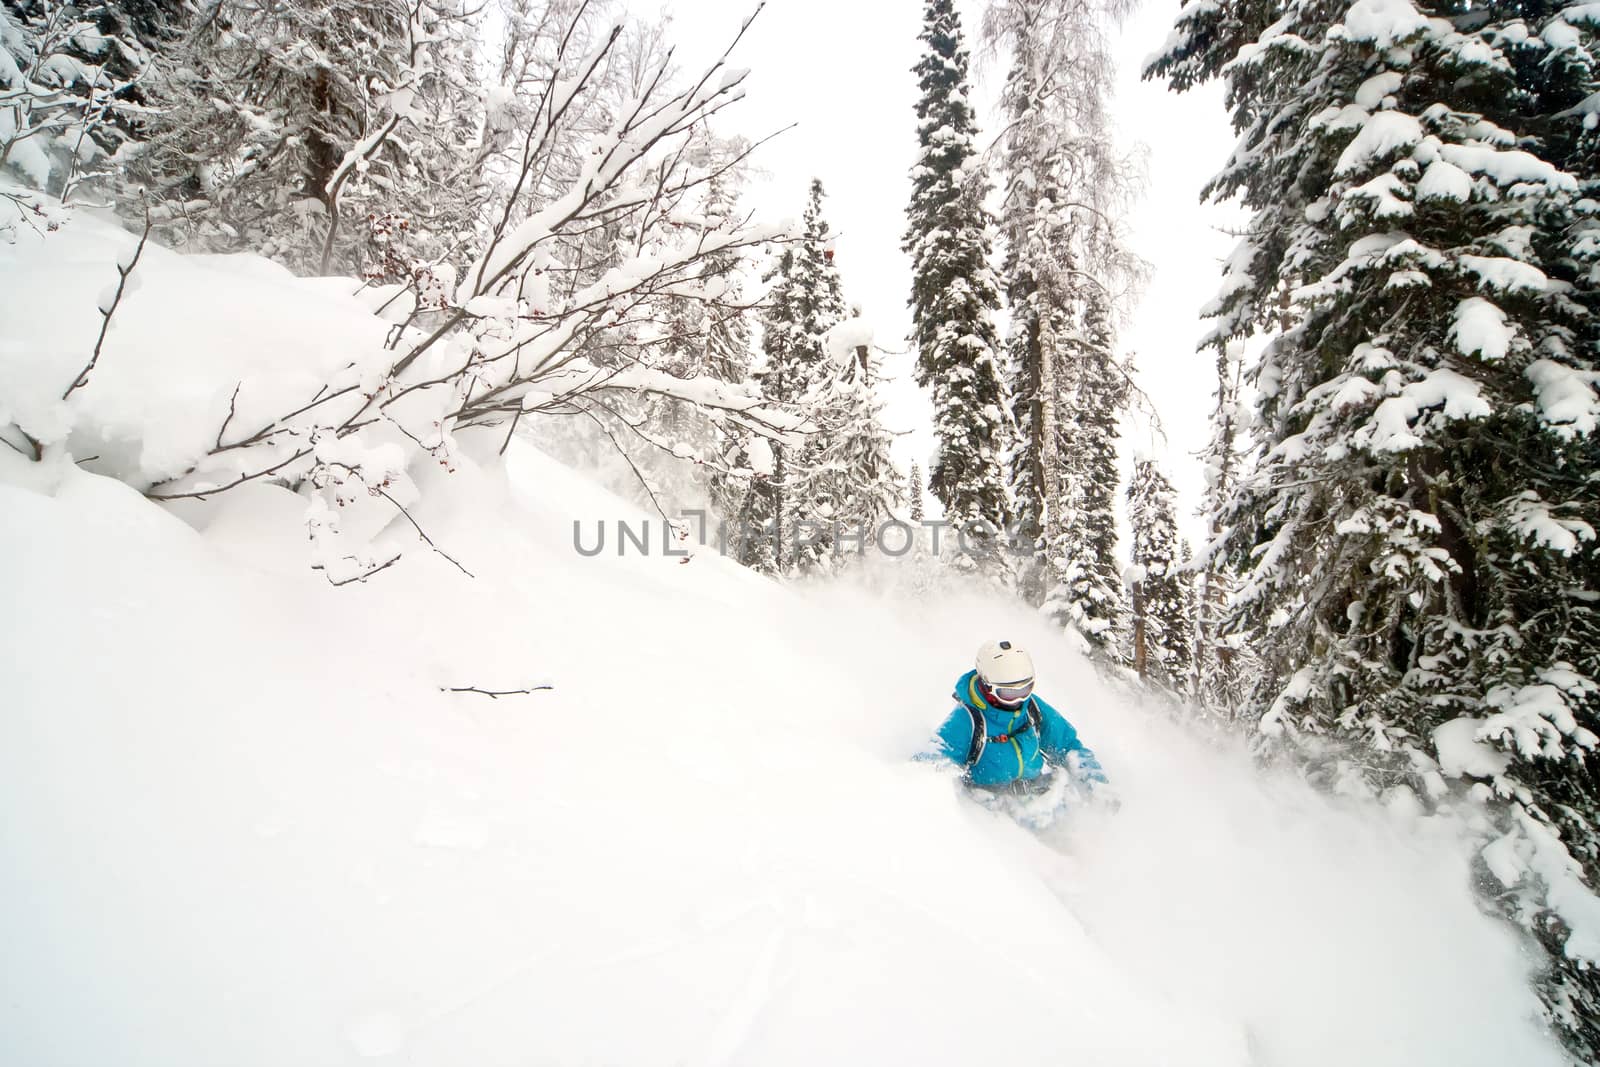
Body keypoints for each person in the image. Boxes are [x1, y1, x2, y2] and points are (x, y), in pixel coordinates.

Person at [930, 639, 1106, 796]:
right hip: (993, 809)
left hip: (1037, 798)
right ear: (987, 686)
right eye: (1008, 693)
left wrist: (1093, 782)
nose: (1018, 700)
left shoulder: (1031, 708)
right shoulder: (967, 720)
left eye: (1025, 689)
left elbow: (1067, 746)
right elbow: (932, 762)